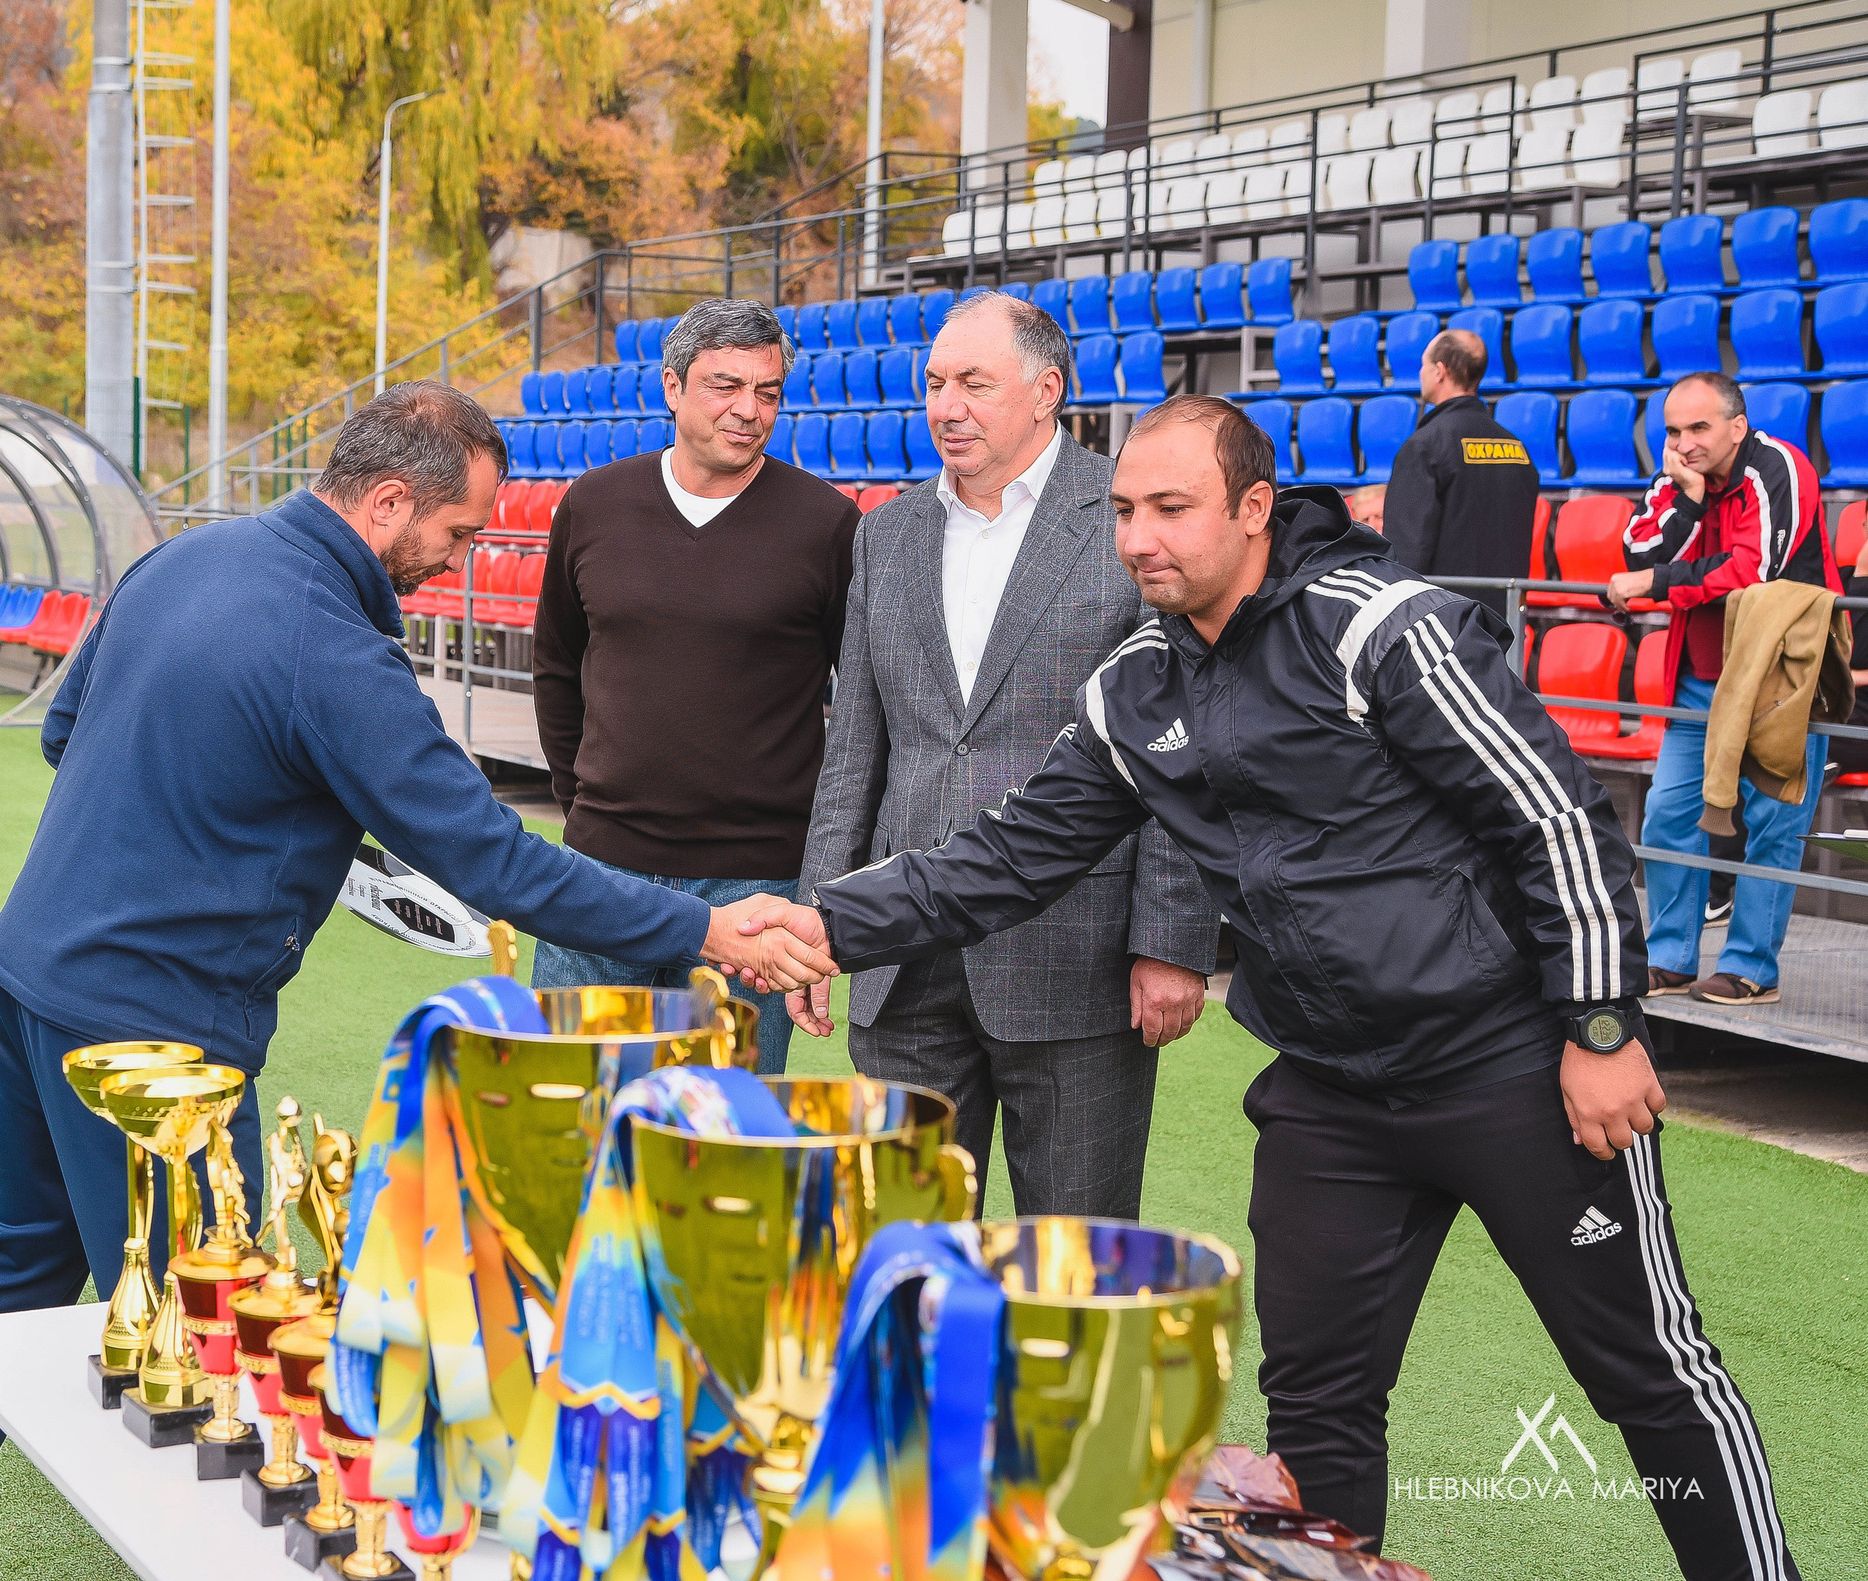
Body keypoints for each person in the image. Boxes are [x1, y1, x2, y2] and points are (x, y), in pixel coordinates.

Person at [748, 395, 1795, 1581]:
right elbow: (1008, 856)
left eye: (1170, 509)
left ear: (1252, 509)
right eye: (1125, 511)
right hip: (1331, 1090)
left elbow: (1555, 821)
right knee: (1315, 1399)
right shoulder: (1134, 687)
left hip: (1507, 1064)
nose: (1138, 536)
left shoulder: (1383, 629)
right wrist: (829, 920)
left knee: (1648, 1375)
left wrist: (1600, 1025)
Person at [0, 381, 831, 1581]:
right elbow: (493, 859)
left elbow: (69, 735)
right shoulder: (337, 649)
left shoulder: (184, 556)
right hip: (154, 1029)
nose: (458, 563)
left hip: (28, 969)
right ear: (382, 501)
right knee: (207, 1345)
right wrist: (708, 928)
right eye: (455, 533)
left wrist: (285, 825)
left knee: (18, 1246)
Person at [794, 291, 1216, 1218]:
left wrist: (1171, 940)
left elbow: (1179, 750)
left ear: (1045, 391)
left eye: (975, 383)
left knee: (1072, 1260)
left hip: (1077, 959)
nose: (947, 404)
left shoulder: (1127, 520)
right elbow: (856, 746)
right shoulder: (886, 533)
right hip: (902, 961)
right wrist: (820, 920)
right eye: (936, 381)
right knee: (899, 1253)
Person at [531, 298, 860, 1070]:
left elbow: (861, 702)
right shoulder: (592, 505)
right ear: (673, 387)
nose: (749, 410)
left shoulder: (825, 523)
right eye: (725, 385)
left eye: (768, 391)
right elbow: (557, 663)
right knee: (574, 1115)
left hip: (758, 882)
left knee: (719, 1138)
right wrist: (584, 806)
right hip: (600, 869)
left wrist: (820, 872)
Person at [1609, 372, 1838, 1009]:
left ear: (1737, 427)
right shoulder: (1678, 475)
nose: (1684, 444)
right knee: (1668, 815)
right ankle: (1670, 957)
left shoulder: (1780, 468)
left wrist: (1656, 584)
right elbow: (1634, 547)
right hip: (1697, 676)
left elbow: (1752, 572)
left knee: (1773, 823)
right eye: (1673, 431)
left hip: (1779, 676)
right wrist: (1684, 498)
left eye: (1699, 429)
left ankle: (1751, 968)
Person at [1379, 327, 1538, 591]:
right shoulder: (1516, 447)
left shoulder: (1424, 446)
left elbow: (1405, 554)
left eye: (1424, 365)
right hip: (1503, 617)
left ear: (1439, 371)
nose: (1421, 373)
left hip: (1448, 617)